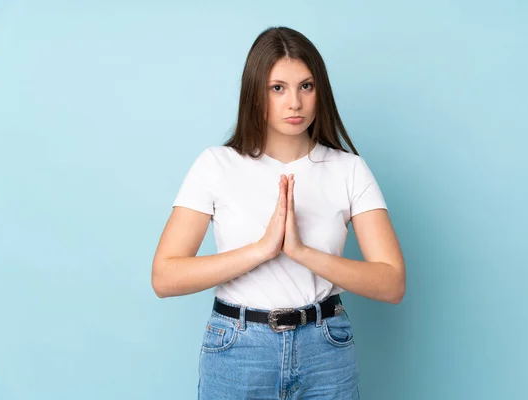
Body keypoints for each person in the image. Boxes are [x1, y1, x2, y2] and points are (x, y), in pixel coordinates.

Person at [151, 26, 406, 400]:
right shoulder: (216, 165)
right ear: (255, 92)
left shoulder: (348, 169)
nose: (295, 103)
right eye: (278, 88)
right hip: (239, 350)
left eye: (306, 86)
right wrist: (262, 249)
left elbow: (392, 283)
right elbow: (165, 277)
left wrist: (303, 253)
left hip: (326, 349)